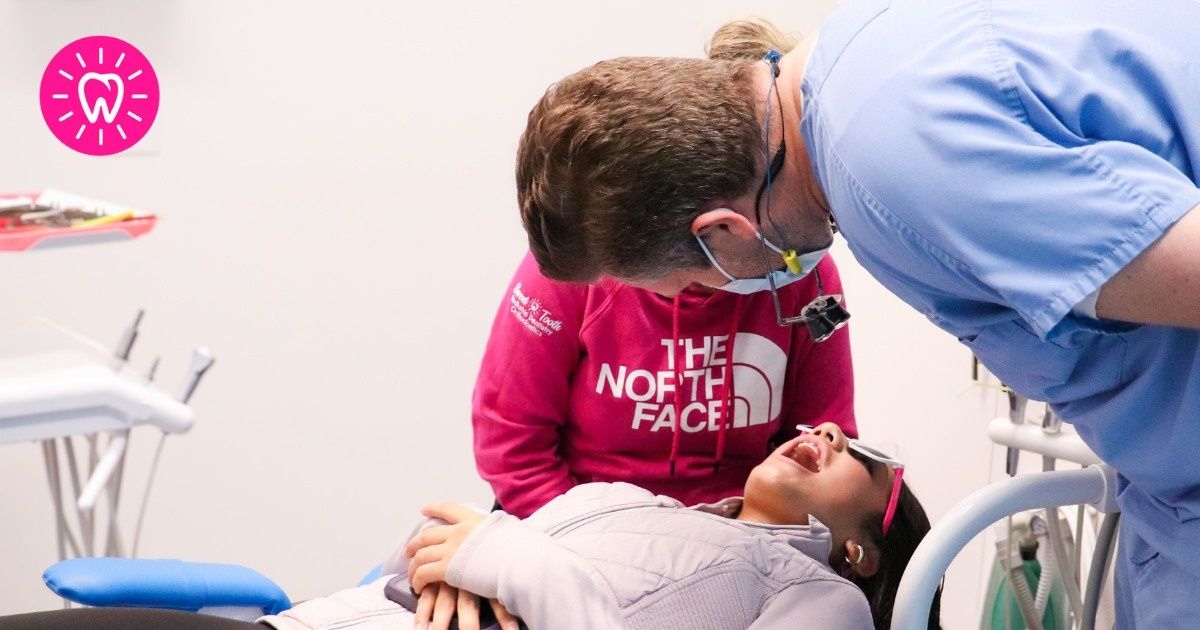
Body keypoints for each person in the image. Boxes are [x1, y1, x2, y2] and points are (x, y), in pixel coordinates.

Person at [512, 5, 1200, 624]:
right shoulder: (858, 59)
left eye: (692, 280)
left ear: (721, 231)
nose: (709, 296)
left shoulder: (898, 167)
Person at [0, 424, 940, 629]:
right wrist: (461, 564)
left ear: (864, 545)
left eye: (863, 455)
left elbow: (504, 549)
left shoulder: (825, 601)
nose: (826, 433)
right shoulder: (629, 498)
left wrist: (507, 560)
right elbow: (455, 546)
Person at [473, 249, 855, 518]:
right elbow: (512, 443)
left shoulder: (806, 274)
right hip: (578, 529)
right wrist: (582, 558)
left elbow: (825, 442)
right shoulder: (577, 258)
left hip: (743, 540)